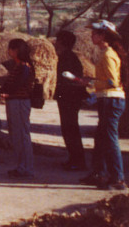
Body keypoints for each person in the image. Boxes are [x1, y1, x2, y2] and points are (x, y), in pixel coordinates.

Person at [81, 21, 126, 191]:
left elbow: (112, 82)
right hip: (108, 99)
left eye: (95, 33)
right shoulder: (106, 53)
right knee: (101, 138)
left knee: (109, 138)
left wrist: (91, 83)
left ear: (102, 36)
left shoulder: (107, 55)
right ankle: (99, 173)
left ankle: (118, 179)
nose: (92, 36)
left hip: (111, 99)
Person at [0, 38, 35, 179]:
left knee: (22, 134)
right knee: (16, 135)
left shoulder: (24, 66)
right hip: (14, 101)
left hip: (20, 102)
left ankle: (27, 168)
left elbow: (18, 85)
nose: (9, 51)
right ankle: (21, 166)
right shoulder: (18, 66)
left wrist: (5, 93)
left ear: (16, 50)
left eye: (10, 48)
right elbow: (10, 84)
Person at [53, 30, 88, 171]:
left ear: (61, 42)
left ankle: (78, 161)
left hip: (70, 96)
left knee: (70, 128)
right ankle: (74, 158)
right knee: (69, 128)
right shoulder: (67, 56)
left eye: (57, 40)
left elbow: (69, 77)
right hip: (69, 96)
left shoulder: (67, 57)